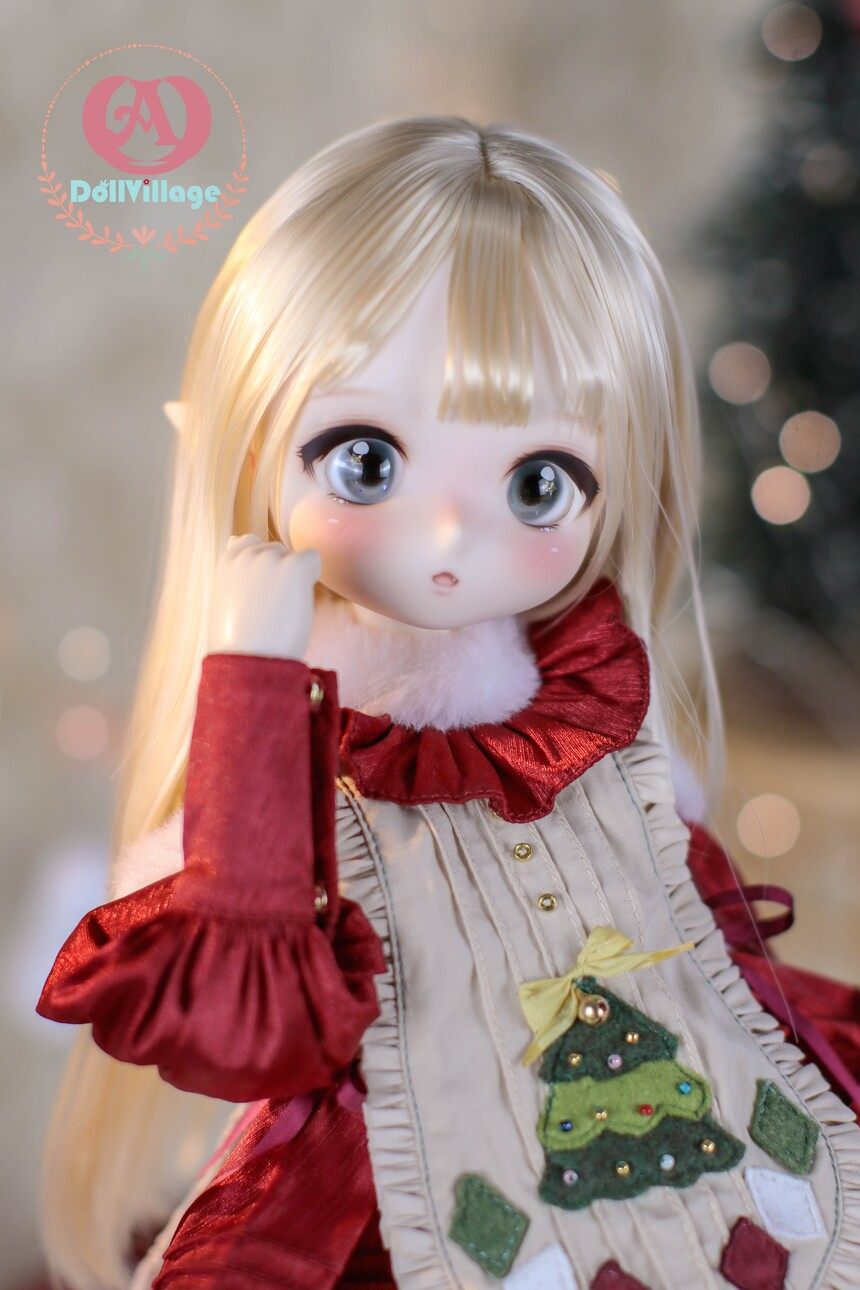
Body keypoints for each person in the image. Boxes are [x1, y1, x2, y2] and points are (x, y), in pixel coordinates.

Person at [36, 115, 860, 1289]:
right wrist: (251, 688)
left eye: (537, 482)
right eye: (365, 460)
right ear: (245, 442)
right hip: (389, 1205)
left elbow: (694, 951)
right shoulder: (292, 748)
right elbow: (237, 1028)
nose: (444, 535)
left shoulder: (587, 712)